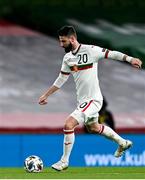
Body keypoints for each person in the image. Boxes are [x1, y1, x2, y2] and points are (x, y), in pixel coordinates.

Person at [38, 26, 142, 171]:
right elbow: (61, 79)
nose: (61, 45)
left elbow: (112, 54)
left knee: (69, 125)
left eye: (63, 41)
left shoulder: (91, 50)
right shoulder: (68, 58)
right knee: (93, 128)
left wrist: (130, 59)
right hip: (83, 101)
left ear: (72, 39)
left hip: (93, 99)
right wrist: (46, 95)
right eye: (60, 41)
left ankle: (64, 161)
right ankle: (122, 142)